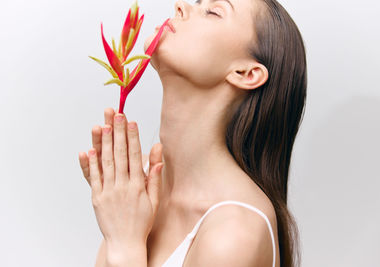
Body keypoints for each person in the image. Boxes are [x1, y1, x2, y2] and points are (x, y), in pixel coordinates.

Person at [79, 0, 307, 266]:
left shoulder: (236, 233)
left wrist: (124, 244)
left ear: (246, 73)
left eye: (213, 11)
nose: (180, 6)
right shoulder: (135, 193)